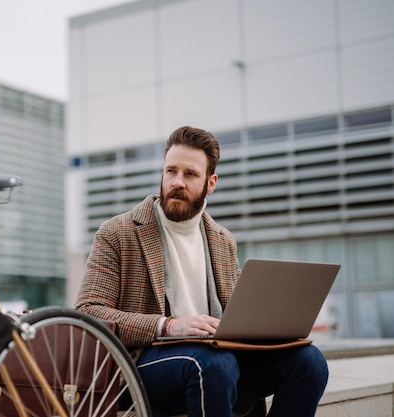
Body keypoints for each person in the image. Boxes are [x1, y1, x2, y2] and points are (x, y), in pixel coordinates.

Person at [75, 126, 329, 417]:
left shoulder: (223, 240)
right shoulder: (118, 232)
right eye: (171, 171)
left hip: (221, 362)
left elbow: (238, 318)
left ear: (211, 183)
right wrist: (168, 325)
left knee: (309, 362)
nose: (177, 182)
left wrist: (271, 328)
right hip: (144, 364)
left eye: (190, 174)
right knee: (213, 363)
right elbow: (89, 311)